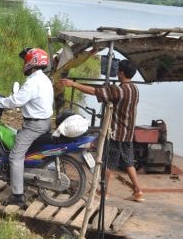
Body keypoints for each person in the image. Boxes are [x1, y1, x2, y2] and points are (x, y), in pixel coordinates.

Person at [60, 59, 144, 202]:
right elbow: (105, 92)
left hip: (116, 133)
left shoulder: (119, 90)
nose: (117, 73)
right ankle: (138, 191)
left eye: (118, 71)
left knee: (107, 163)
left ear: (121, 73)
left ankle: (102, 191)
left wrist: (73, 84)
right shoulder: (134, 89)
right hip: (128, 132)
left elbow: (94, 91)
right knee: (128, 162)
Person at [0, 48, 54, 208]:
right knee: (16, 138)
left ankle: (18, 196)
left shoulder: (33, 82)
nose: (24, 64)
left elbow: (16, 101)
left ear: (32, 62)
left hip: (34, 126)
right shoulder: (44, 79)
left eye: (25, 61)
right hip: (43, 122)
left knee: (15, 157)